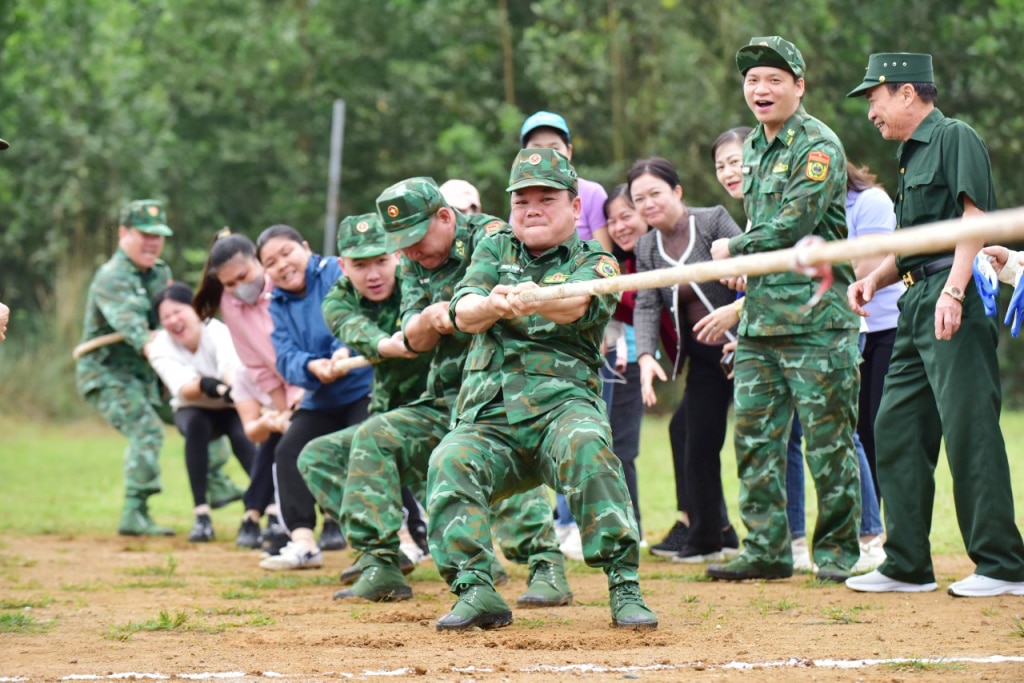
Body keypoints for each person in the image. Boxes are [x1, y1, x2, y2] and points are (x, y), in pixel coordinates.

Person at [425, 148, 657, 631]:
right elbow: (463, 312)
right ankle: (476, 590)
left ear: (575, 208)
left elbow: (574, 304)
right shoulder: (494, 249)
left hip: (561, 412)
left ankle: (624, 585)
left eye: (545, 200)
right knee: (449, 459)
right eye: (521, 201)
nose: (530, 209)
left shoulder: (597, 259)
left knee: (589, 447)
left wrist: (529, 300)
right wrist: (489, 303)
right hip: (491, 419)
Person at [336, 177, 564, 605]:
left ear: (445, 216)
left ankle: (545, 565)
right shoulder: (412, 262)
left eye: (416, 238)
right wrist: (425, 320)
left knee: (498, 458)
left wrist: (460, 309)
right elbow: (414, 338)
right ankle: (381, 562)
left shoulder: (494, 238)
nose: (408, 252)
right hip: (445, 396)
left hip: (500, 390)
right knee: (374, 438)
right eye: (400, 244)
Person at [845, 52, 1024, 596]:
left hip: (953, 294)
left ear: (905, 92)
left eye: (873, 98)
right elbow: (913, 242)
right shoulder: (908, 156)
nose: (870, 112)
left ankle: (1001, 564)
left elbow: (975, 219)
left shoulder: (954, 137)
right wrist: (874, 279)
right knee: (892, 425)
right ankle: (906, 563)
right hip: (914, 299)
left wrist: (954, 288)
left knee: (969, 427)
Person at [706, 36, 861, 583]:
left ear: (799, 86)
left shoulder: (817, 145)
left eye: (774, 78)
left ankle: (839, 555)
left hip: (817, 323)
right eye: (752, 80)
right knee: (754, 443)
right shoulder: (753, 147)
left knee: (827, 443)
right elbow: (765, 229)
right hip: (760, 322)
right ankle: (767, 550)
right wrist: (746, 267)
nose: (761, 89)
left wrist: (734, 248)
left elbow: (794, 223)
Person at [296, 213, 432, 582]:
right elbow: (357, 329)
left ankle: (532, 559)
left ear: (398, 257)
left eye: (381, 261)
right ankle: (380, 550)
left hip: (443, 409)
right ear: (342, 266)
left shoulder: (421, 282)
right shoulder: (338, 301)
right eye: (360, 265)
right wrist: (385, 343)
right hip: (390, 418)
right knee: (317, 456)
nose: (373, 274)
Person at [629, 157, 743, 564]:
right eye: (638, 198)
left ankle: (772, 537)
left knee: (759, 444)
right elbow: (645, 304)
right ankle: (710, 535)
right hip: (702, 359)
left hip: (745, 347)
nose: (647, 204)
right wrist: (645, 357)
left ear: (677, 191)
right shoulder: (645, 246)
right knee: (695, 440)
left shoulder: (712, 219)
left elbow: (755, 261)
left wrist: (742, 317)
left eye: (655, 193)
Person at [256, 224, 374, 570]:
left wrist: (341, 351)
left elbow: (353, 314)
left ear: (306, 247)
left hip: (361, 387)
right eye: (270, 262)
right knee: (288, 450)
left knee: (368, 444)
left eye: (287, 252)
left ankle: (404, 534)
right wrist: (312, 366)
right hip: (320, 397)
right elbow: (285, 357)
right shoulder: (276, 302)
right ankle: (304, 542)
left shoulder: (335, 272)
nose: (282, 265)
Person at [520, 110, 610, 557]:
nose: (533, 206)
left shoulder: (589, 194)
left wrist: (531, 295)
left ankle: (586, 529)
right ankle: (556, 528)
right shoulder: (511, 229)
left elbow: (597, 274)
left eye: (553, 148)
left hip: (578, 322)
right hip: (516, 376)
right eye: (534, 149)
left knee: (584, 436)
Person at [76, 200, 178, 536]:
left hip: (144, 375)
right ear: (123, 234)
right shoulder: (112, 277)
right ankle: (134, 512)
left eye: (158, 236)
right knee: (147, 430)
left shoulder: (161, 272)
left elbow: (171, 316)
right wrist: (163, 355)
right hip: (106, 374)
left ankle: (219, 484)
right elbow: (137, 330)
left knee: (201, 411)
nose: (152, 243)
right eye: (144, 234)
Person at [192, 229, 299, 550]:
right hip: (274, 389)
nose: (239, 288)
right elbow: (254, 361)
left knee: (291, 446)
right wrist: (282, 408)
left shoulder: (285, 285)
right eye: (229, 284)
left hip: (312, 378)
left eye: (243, 276)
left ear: (257, 261)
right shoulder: (231, 305)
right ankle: (283, 523)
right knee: (283, 446)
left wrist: (298, 397)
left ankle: (271, 517)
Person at [147, 282, 257, 543]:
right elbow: (185, 389)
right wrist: (211, 385)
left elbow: (229, 369)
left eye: (178, 311)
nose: (174, 320)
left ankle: (270, 510)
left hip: (230, 406)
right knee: (196, 424)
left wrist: (230, 389)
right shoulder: (160, 346)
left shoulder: (218, 331)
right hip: (193, 408)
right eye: (165, 317)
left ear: (195, 308)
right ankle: (202, 516)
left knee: (243, 435)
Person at [601, 185, 651, 539]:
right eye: (610, 220)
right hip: (607, 360)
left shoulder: (650, 258)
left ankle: (632, 527)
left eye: (625, 216)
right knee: (606, 447)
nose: (618, 227)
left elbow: (640, 305)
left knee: (623, 447)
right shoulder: (612, 261)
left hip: (632, 360)